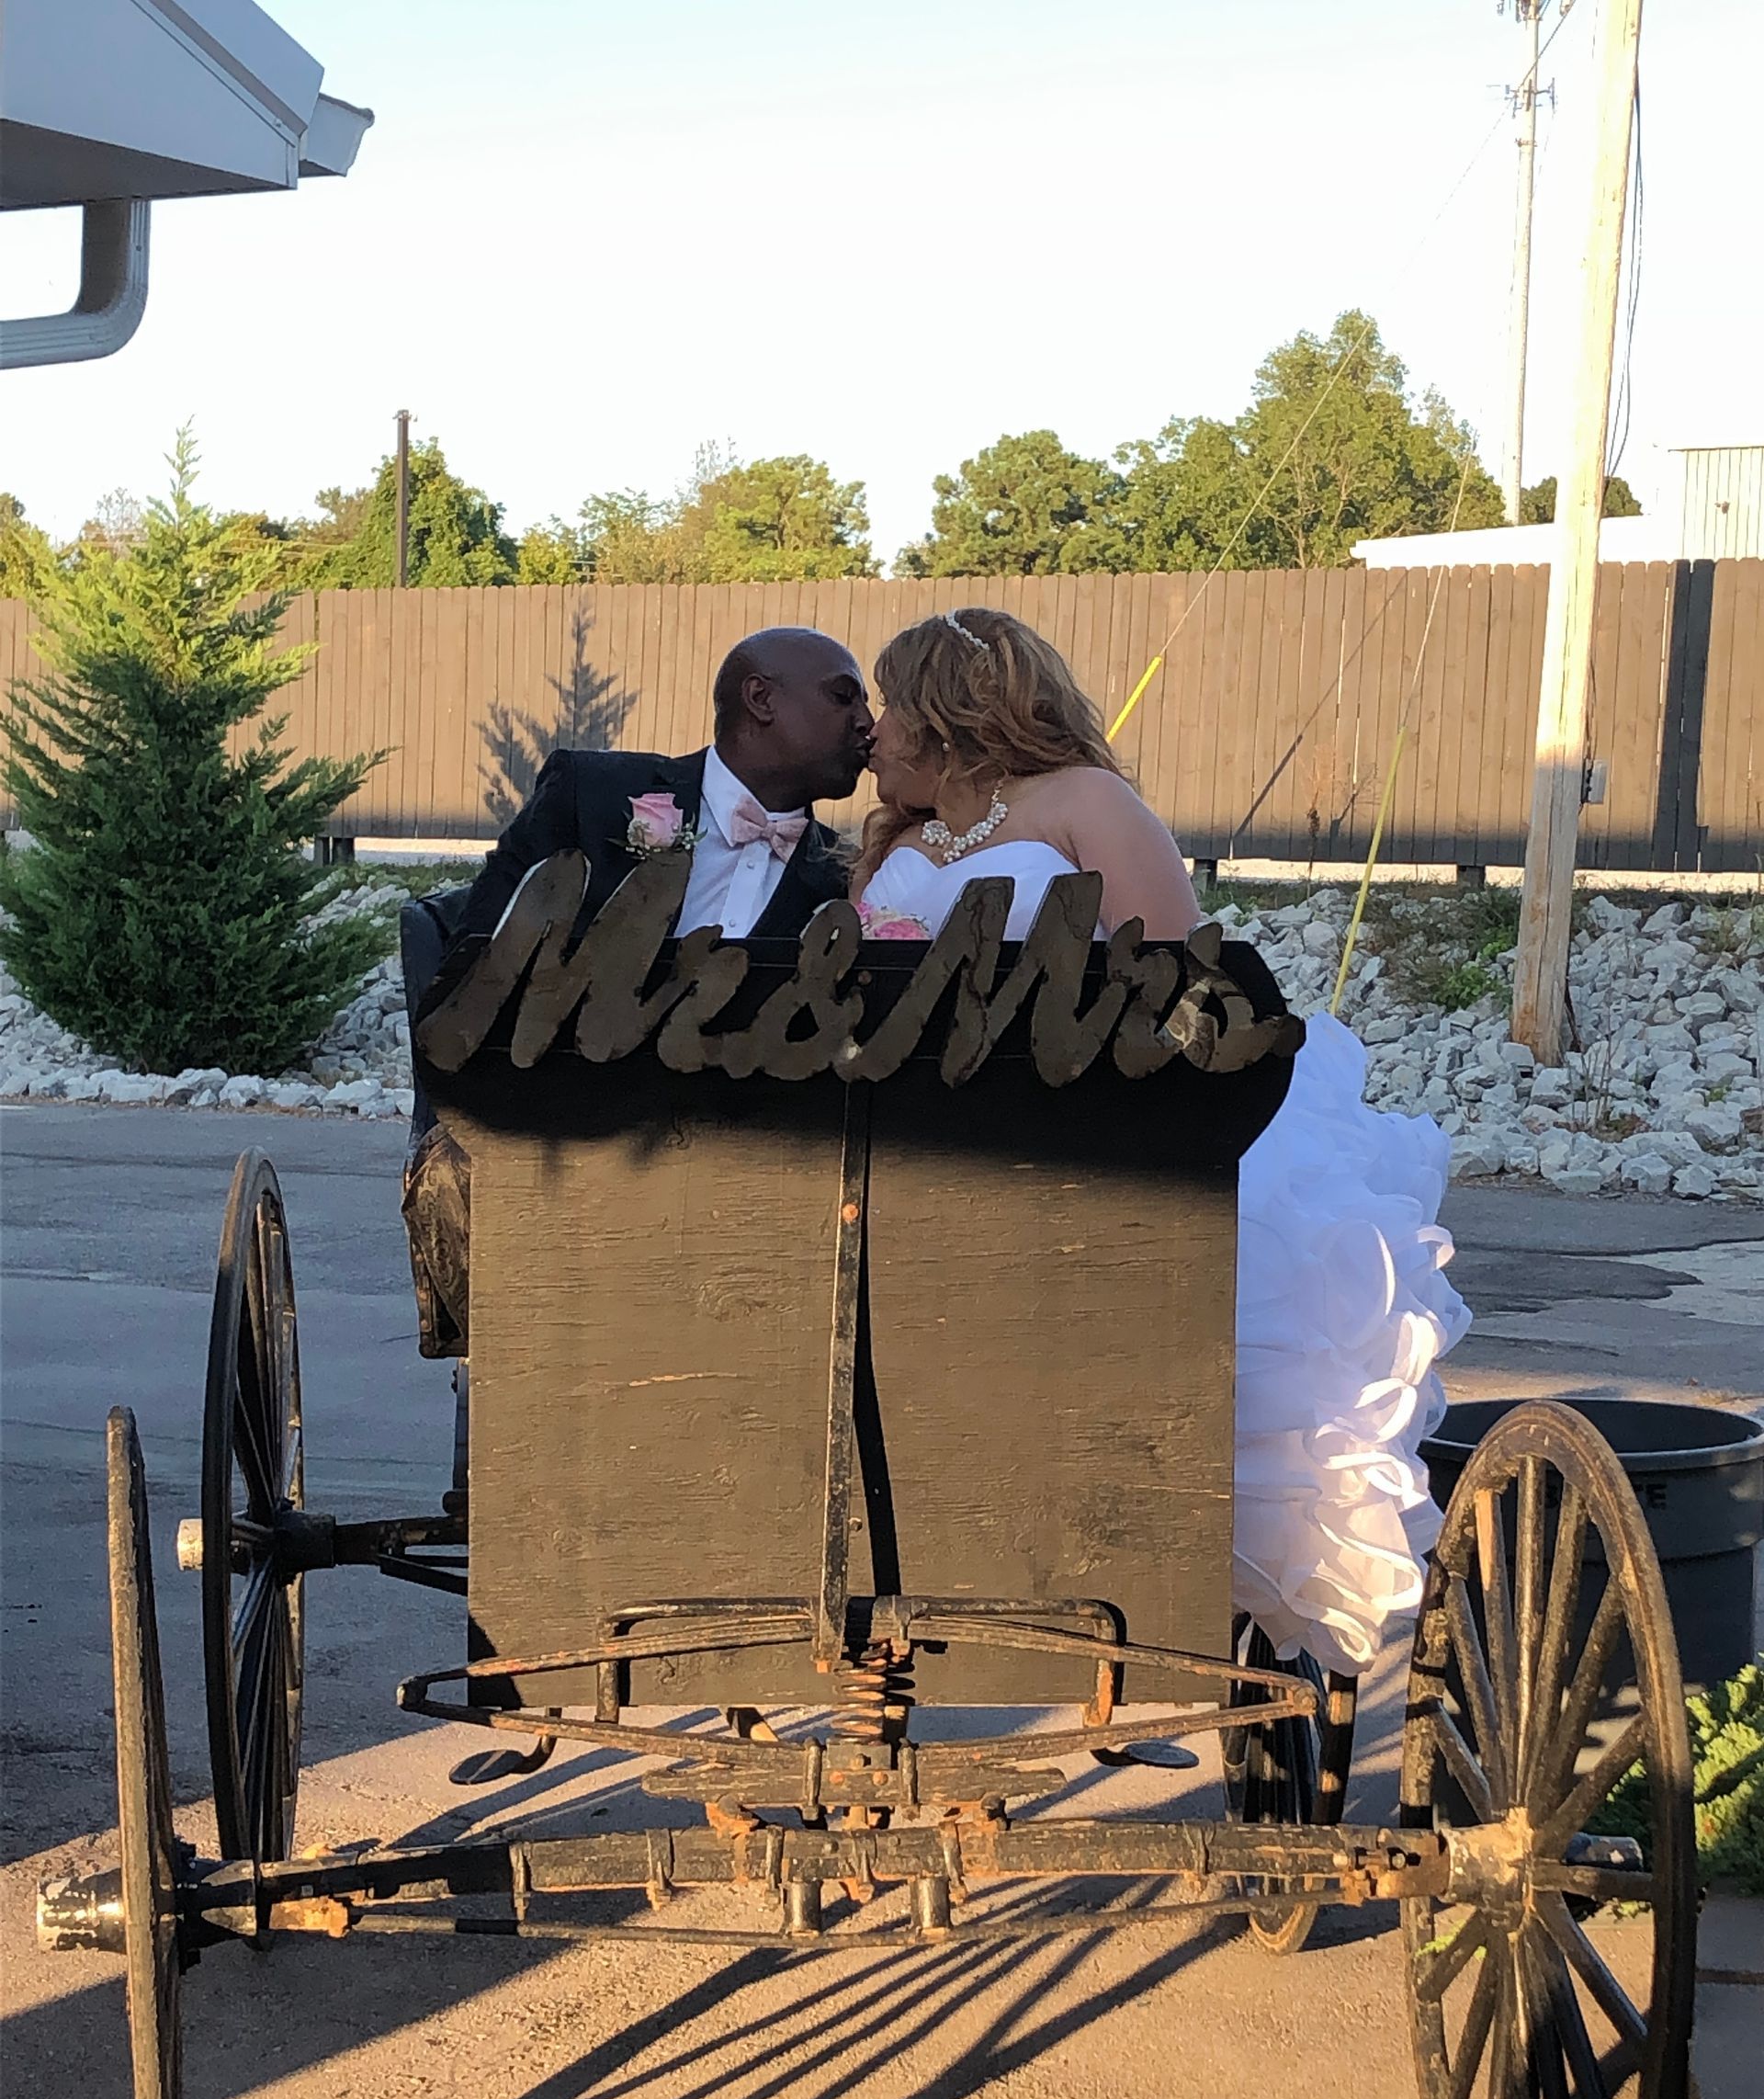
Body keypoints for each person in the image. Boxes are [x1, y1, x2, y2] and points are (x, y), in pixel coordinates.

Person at [854, 606, 1471, 1680]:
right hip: (928, 1140)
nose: (871, 730)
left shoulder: (1082, 802)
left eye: (886, 704)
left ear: (941, 709)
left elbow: (1178, 977)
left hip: (1091, 1117)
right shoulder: (897, 844)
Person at [403, 627, 875, 1353]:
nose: (866, 723)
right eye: (844, 696)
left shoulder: (846, 882)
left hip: (746, 1173)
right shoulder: (596, 795)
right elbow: (478, 959)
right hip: (558, 1134)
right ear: (761, 699)